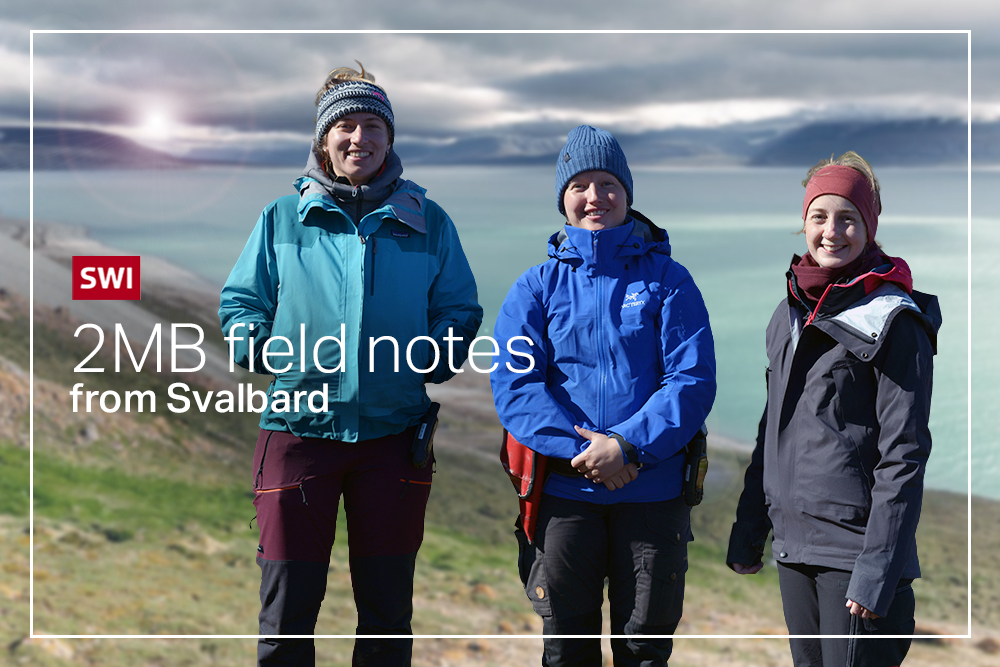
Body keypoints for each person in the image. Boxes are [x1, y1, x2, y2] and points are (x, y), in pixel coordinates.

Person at [219, 63, 482, 667]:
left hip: (394, 437)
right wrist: (259, 345)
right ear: (323, 138)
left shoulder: (428, 220)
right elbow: (241, 303)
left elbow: (459, 308)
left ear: (390, 140)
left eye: (372, 126)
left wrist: (437, 351)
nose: (359, 138)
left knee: (387, 615)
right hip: (296, 435)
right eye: (345, 124)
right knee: (286, 615)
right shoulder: (282, 218)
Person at [490, 125, 717, 667]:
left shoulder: (668, 279)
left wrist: (625, 446)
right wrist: (589, 453)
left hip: (652, 493)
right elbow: (516, 385)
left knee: (644, 649)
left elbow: (692, 380)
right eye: (581, 185)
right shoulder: (535, 287)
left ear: (627, 193)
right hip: (566, 496)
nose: (596, 197)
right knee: (568, 650)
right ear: (564, 200)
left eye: (608, 183)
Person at [726, 152, 941, 667]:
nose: (832, 231)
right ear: (803, 222)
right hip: (796, 548)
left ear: (869, 225)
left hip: (855, 556)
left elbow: (904, 456)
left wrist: (878, 570)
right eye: (819, 216)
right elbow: (772, 427)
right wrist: (750, 526)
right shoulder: (790, 312)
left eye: (848, 217)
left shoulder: (893, 320)